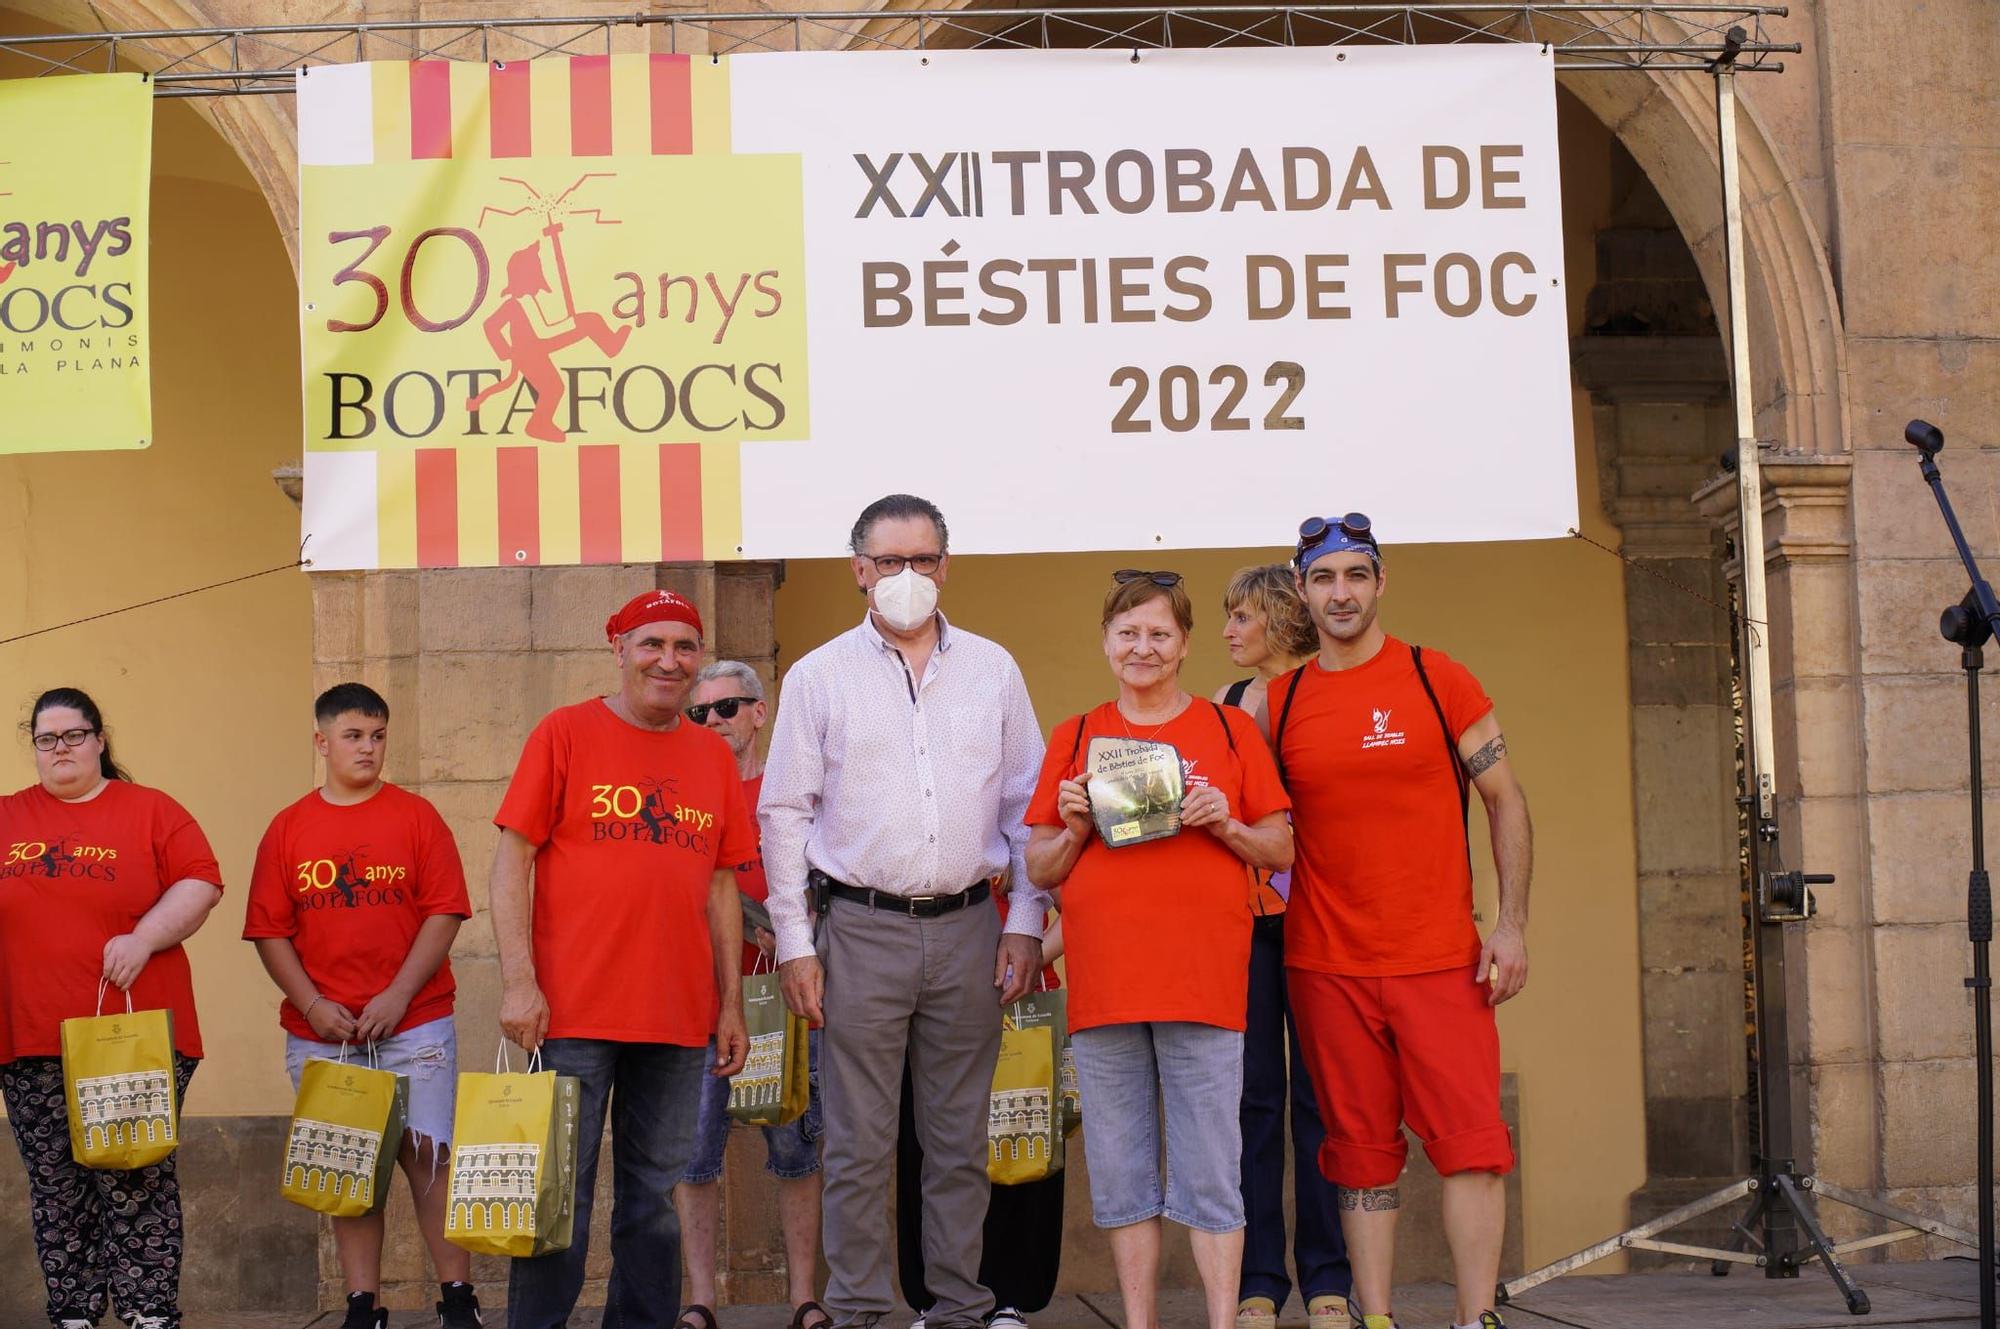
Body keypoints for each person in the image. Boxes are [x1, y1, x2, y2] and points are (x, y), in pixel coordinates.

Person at [761, 493, 1049, 1329]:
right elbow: (785, 813)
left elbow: (1026, 805)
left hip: (971, 927)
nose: (908, 576)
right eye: (890, 561)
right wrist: (793, 943)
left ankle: (959, 1305)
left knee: (959, 1140)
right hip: (859, 928)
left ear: (945, 566)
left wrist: (1026, 921)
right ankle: (859, 1310)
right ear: (860, 571)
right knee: (857, 1142)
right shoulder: (817, 676)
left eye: (924, 560)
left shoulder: (993, 669)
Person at [1263, 514, 1532, 1329]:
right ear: (1303, 593)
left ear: (1380, 582)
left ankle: (1473, 1316)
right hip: (1325, 964)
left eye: (1354, 575)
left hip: (1442, 958)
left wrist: (1512, 924)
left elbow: (1506, 799)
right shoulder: (1284, 700)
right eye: (1323, 578)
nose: (1340, 592)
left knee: (1473, 1144)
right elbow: (1254, 826)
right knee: (1359, 1155)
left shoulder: (1434, 677)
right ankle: (1375, 1317)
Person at [1025, 571, 1294, 1329]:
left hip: (1204, 981)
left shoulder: (1230, 729)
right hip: (1107, 983)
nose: (1142, 647)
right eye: (1128, 633)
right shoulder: (1076, 736)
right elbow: (1041, 867)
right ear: (1107, 643)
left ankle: (1219, 1320)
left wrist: (1226, 824)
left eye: (1159, 633)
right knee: (1121, 1173)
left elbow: (1280, 844)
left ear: (1182, 643)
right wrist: (1075, 822)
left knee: (1214, 1171)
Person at [490, 589, 755, 1329]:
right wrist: (518, 980)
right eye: (652, 643)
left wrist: (729, 1002)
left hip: (676, 1018)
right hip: (570, 1011)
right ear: (619, 648)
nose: (668, 660)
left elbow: (723, 884)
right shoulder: (565, 733)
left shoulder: (711, 757)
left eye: (683, 646)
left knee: (654, 1202)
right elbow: (511, 861)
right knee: (557, 1201)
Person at [243, 682, 482, 1329]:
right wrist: (313, 1003)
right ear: (322, 741)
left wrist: (400, 992)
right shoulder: (289, 827)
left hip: (418, 1023)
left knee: (429, 1158)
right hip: (325, 1033)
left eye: (378, 735)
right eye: (354, 735)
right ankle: (361, 1304)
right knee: (349, 1165)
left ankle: (458, 1299)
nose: (368, 748)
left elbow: (445, 911)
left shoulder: (416, 816)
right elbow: (269, 930)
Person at [0, 688, 225, 1329]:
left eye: (74, 735)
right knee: (56, 1186)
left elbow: (200, 881)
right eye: (47, 739)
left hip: (133, 1036)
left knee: (135, 1179)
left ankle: (148, 1312)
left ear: (100, 740)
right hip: (30, 1036)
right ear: (35, 748)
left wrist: (145, 936)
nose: (61, 749)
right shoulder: (7, 817)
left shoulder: (151, 810)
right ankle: (74, 1311)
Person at [1214, 566, 1353, 1329]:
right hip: (1250, 922)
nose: (1229, 630)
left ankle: (1329, 1276)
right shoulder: (1228, 705)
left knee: (1321, 1101)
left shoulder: (1330, 692)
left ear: (1276, 617)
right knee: (1253, 1099)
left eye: (1242, 616)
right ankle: (1258, 1279)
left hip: (1326, 922)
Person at [674, 660, 829, 1329]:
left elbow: (827, 881)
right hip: (695, 1001)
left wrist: (795, 936)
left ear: (760, 712)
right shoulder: (679, 791)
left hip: (785, 997)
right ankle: (701, 1299)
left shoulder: (789, 790)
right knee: (693, 1156)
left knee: (796, 1150)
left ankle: (803, 1297)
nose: (712, 720)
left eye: (727, 707)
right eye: (699, 711)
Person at [894, 908, 1065, 1329]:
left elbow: (1077, 908)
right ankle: (932, 1297)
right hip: (934, 997)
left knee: (1019, 1137)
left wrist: (1027, 958)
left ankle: (1010, 1297)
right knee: (927, 1142)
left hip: (1020, 991)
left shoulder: (1025, 842)